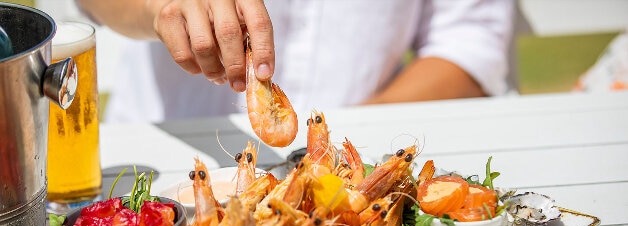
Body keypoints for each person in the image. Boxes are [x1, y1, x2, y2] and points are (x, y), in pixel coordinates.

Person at [75, 0, 516, 123]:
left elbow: (468, 40)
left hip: (353, 155)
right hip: (166, 144)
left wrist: (345, 138)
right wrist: (157, 7)